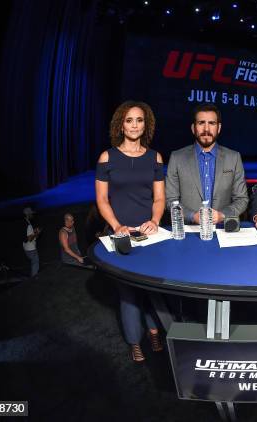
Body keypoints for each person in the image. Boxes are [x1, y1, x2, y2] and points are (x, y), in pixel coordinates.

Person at [95, 100, 165, 362]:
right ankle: (135, 341)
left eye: (139, 120)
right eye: (129, 120)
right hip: (120, 233)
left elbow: (159, 199)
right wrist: (116, 226)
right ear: (120, 125)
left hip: (148, 234)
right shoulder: (107, 157)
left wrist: (155, 221)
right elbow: (102, 200)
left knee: (151, 285)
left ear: (146, 124)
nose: (134, 125)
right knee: (127, 291)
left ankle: (155, 330)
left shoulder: (155, 157)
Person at [165, 103, 248, 224]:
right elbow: (170, 200)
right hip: (189, 232)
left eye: (212, 123)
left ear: (219, 128)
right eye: (201, 123)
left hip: (223, 230)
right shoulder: (177, 158)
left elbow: (241, 199)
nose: (206, 129)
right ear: (193, 128)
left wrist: (222, 215)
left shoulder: (233, 157)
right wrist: (192, 216)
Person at [22, 207, 41, 277]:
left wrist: (34, 231)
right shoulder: (28, 225)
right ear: (28, 214)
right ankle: (34, 280)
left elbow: (27, 236)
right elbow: (30, 238)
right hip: (31, 248)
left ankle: (33, 277)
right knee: (35, 263)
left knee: (33, 263)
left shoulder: (24, 222)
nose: (32, 215)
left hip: (26, 247)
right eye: (31, 214)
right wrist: (37, 233)